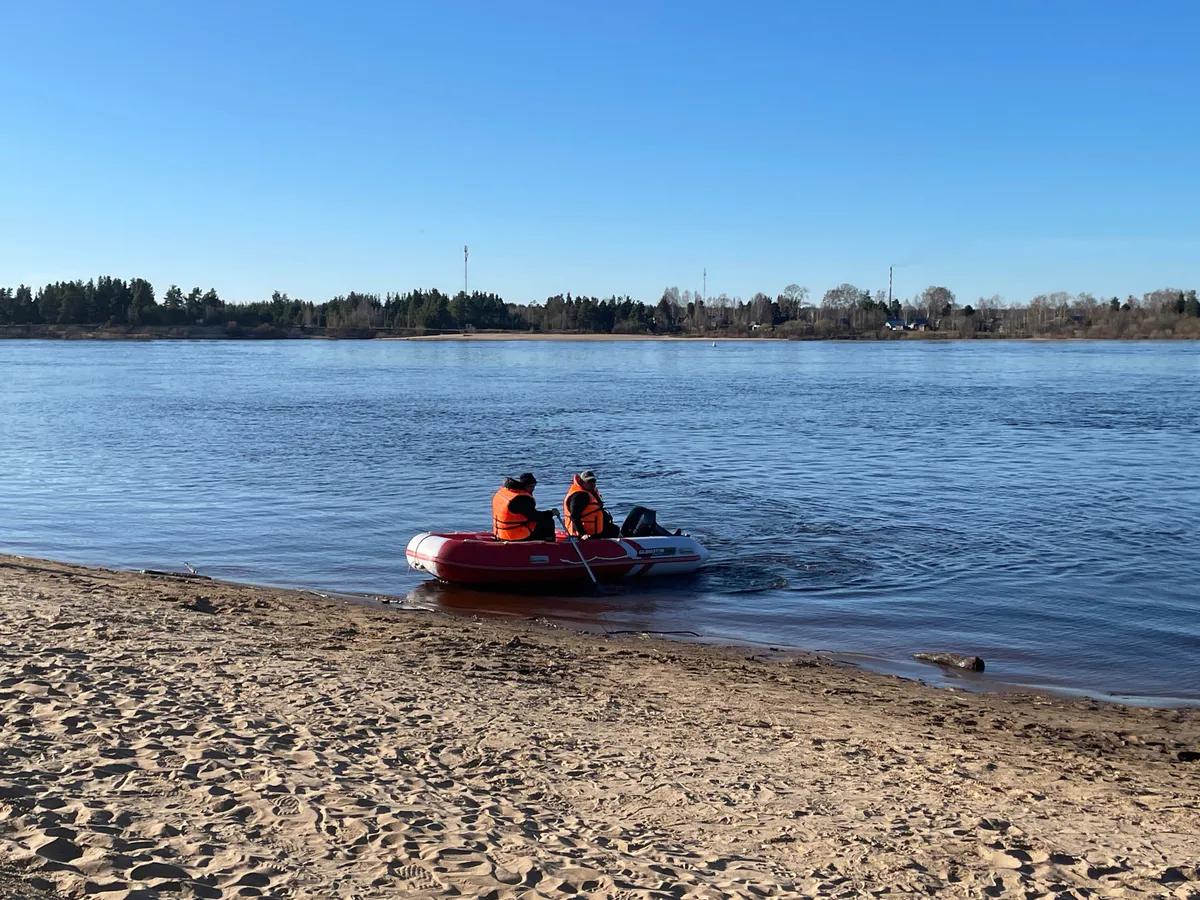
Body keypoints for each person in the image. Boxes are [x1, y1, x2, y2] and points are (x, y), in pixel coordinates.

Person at [492, 472, 556, 541]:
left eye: (534, 486)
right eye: (530, 486)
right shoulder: (521, 498)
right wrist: (551, 513)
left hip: (500, 533)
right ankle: (550, 546)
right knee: (548, 521)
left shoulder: (505, 492)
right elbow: (534, 516)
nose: (533, 489)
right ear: (522, 486)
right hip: (514, 535)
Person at [562, 470, 620, 539]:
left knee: (615, 529)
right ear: (582, 482)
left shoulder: (591, 493)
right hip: (585, 534)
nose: (592, 483)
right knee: (614, 531)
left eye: (593, 481)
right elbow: (574, 516)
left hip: (596, 529)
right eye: (589, 481)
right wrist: (582, 534)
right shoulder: (580, 496)